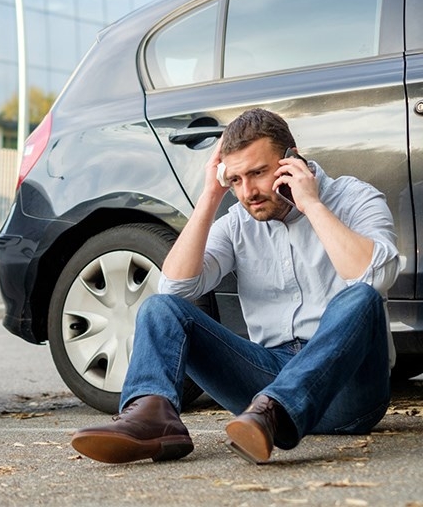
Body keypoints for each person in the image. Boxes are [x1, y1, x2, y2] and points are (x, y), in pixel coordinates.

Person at [71, 108, 399, 465]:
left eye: (258, 173)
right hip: (264, 388)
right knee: (159, 307)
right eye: (236, 179)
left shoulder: (354, 198)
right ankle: (154, 418)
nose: (248, 192)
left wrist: (312, 205)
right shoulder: (238, 223)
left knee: (361, 296)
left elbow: (374, 276)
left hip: (345, 389)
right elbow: (176, 287)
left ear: (292, 159)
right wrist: (210, 196)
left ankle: (277, 412)